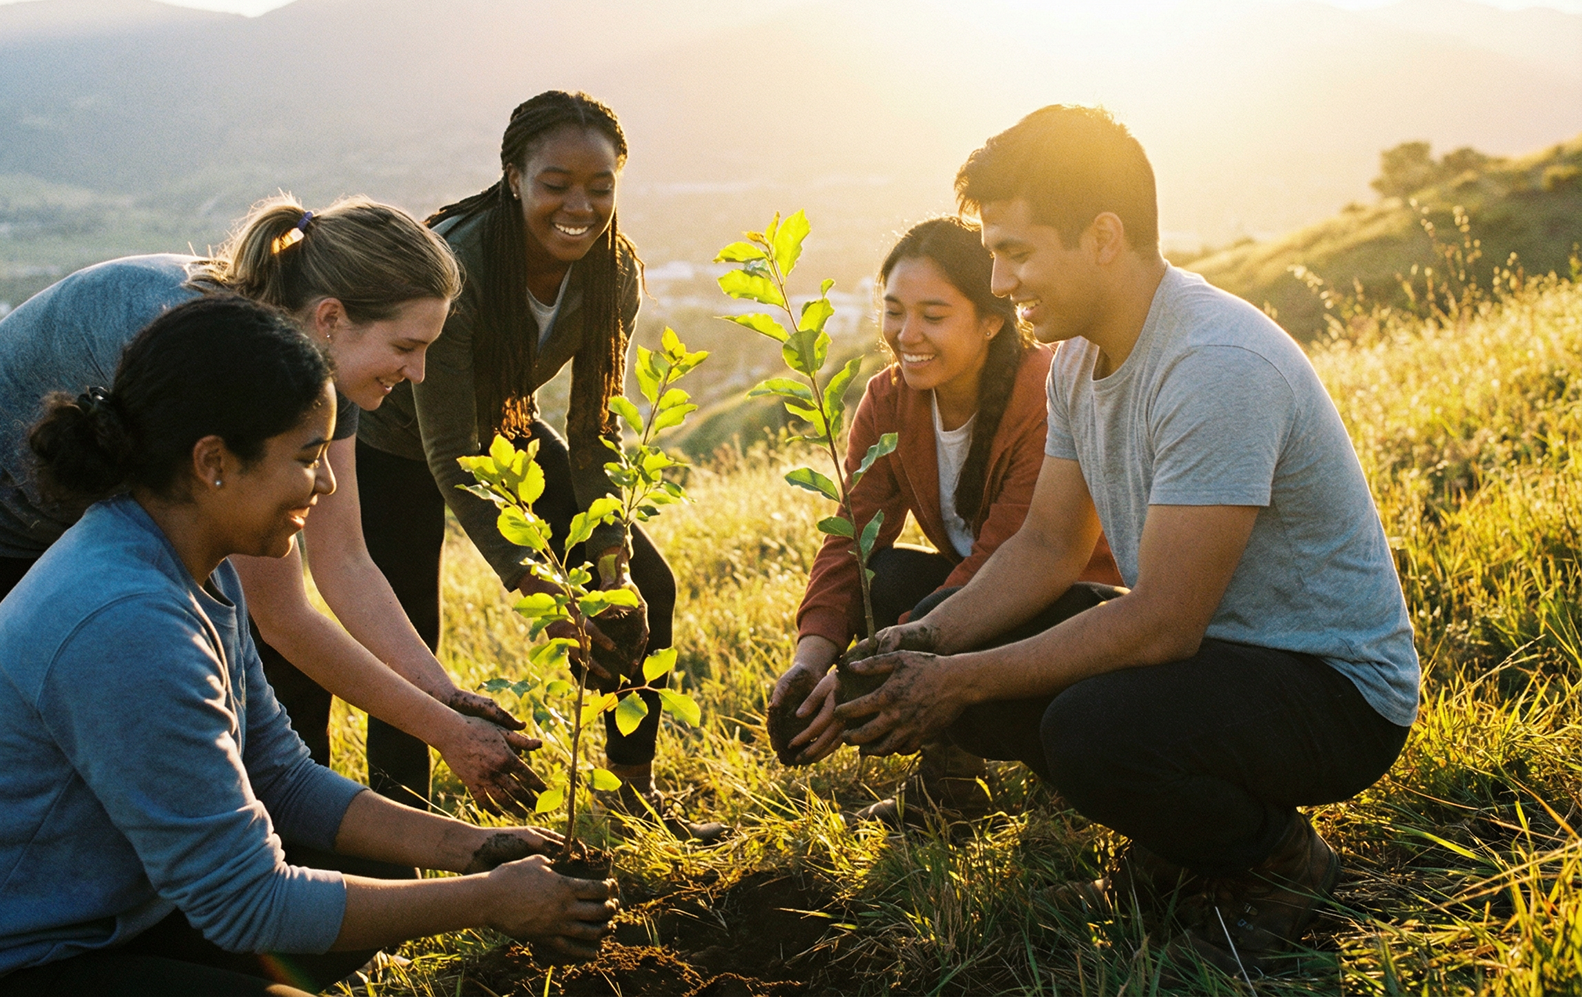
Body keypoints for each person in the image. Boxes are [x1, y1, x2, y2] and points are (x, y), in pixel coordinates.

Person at [0, 297, 617, 997]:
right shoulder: (126, 623)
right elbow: (247, 902)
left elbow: (279, 776)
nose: (327, 485)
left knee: (376, 874)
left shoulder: (195, 561)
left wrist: (476, 851)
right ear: (214, 464)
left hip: (76, 927)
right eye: (307, 457)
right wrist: (489, 901)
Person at [831, 106, 1418, 977]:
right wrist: (925, 638)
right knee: (989, 646)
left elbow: (1162, 625)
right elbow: (1045, 547)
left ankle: (1279, 864)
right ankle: (1184, 848)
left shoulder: (1215, 364)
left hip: (1330, 689)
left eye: (1017, 253)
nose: (999, 280)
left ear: (1103, 236)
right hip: (1219, 660)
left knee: (1091, 729)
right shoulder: (1074, 356)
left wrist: (952, 681)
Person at [0, 194, 545, 814]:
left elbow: (345, 560)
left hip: (80, 524)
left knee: (120, 764)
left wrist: (447, 696)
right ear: (331, 319)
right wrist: (447, 735)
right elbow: (283, 616)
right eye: (407, 347)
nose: (419, 373)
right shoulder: (219, 361)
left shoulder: (318, 369)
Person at [356, 90, 722, 840]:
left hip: (503, 426)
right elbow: (448, 450)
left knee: (647, 587)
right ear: (514, 176)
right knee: (408, 645)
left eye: (600, 187)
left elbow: (594, 427)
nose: (579, 206)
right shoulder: (457, 267)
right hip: (388, 441)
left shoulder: (611, 270)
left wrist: (608, 569)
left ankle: (632, 792)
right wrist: (542, 589)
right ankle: (398, 851)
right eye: (557, 185)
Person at [767, 217, 1119, 827]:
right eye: (895, 311)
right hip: (977, 593)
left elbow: (1005, 559)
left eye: (933, 315)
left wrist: (865, 674)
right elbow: (852, 536)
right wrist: (812, 657)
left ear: (991, 319)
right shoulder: (889, 399)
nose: (908, 335)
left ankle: (1074, 788)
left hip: (1071, 603)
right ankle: (951, 783)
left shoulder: (1041, 395)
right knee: (888, 573)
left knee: (935, 604)